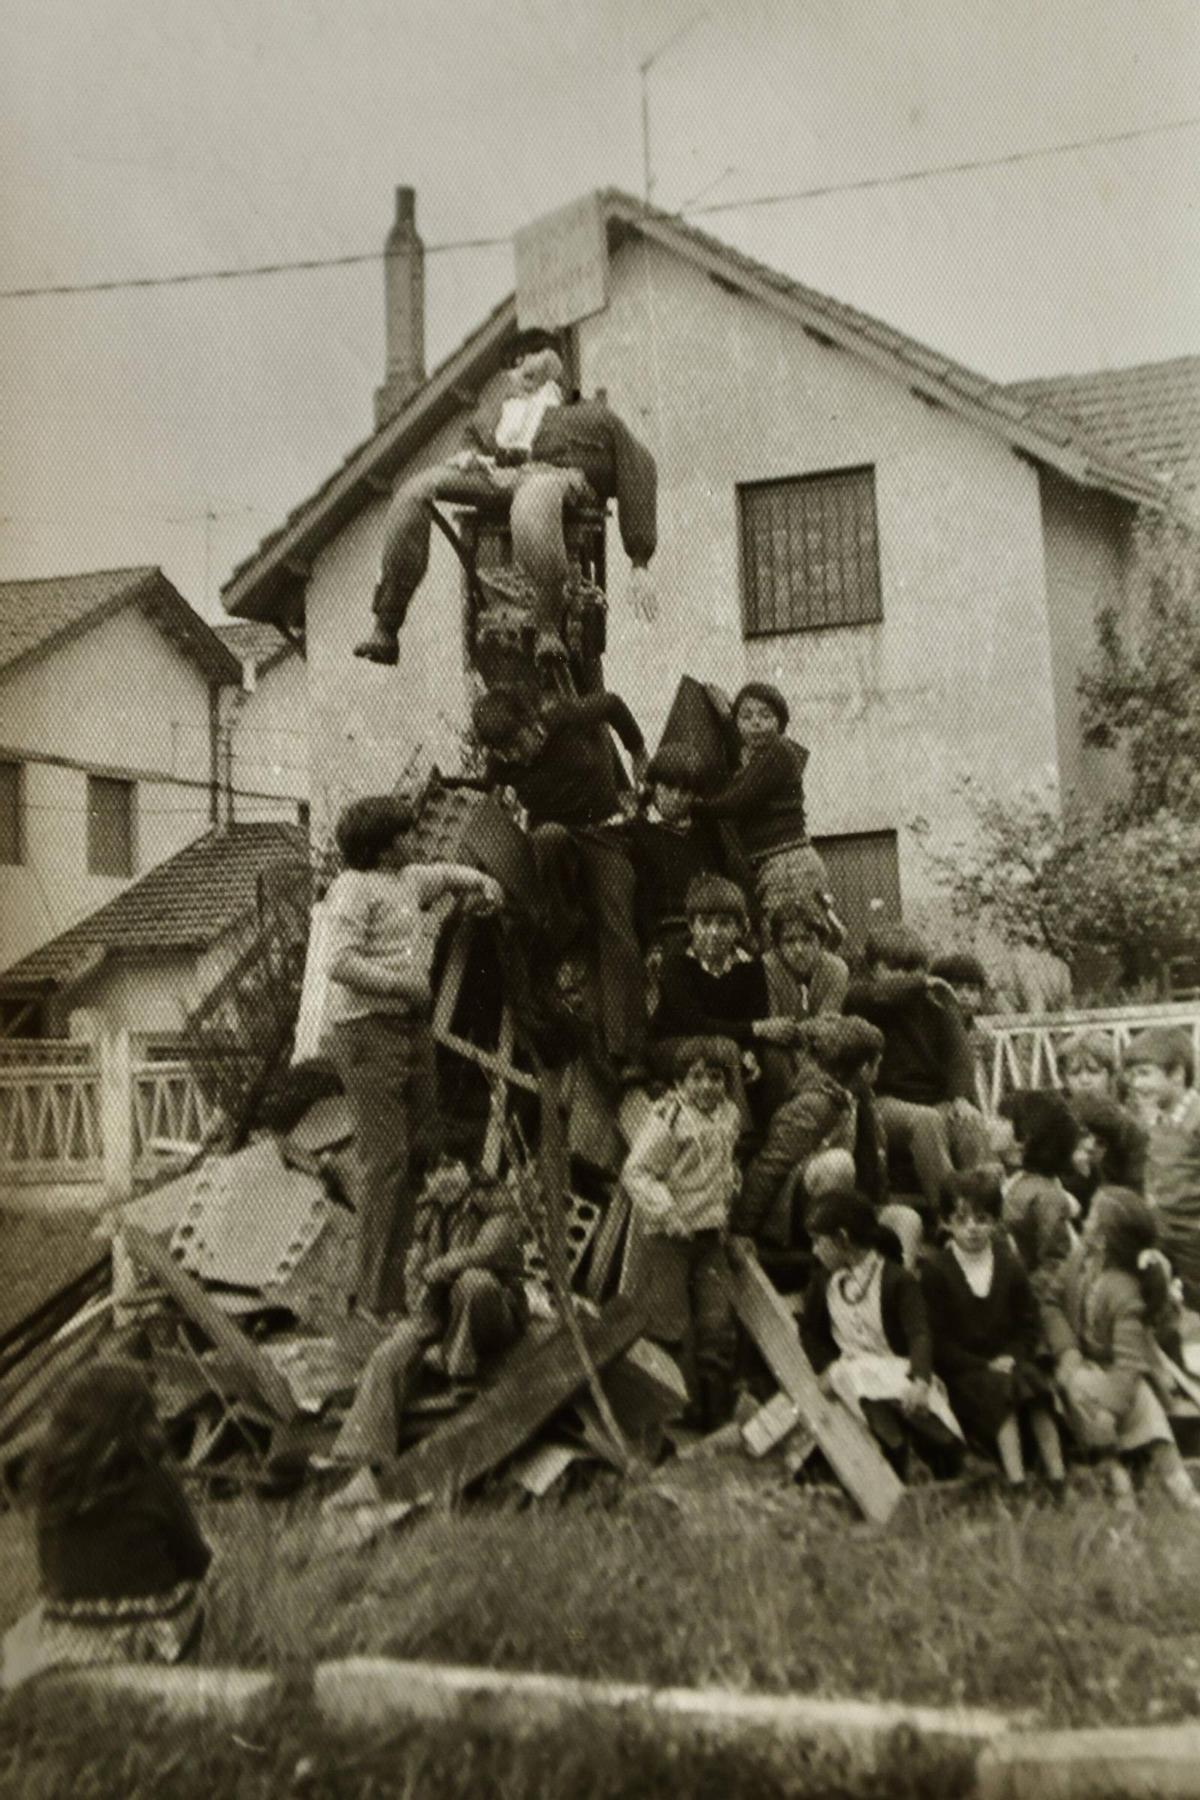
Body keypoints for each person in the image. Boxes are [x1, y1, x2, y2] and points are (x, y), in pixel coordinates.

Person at [357, 327, 657, 665]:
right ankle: (387, 623)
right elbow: (471, 438)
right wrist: (469, 455)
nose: (522, 366)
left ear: (554, 358)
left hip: (553, 477)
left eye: (531, 354)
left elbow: (639, 467)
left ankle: (546, 625)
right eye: (513, 364)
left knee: (533, 499)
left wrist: (639, 559)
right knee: (415, 489)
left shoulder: (590, 415)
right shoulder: (496, 413)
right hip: (496, 475)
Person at [324, 794, 503, 1316]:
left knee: (425, 1147)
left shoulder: (406, 880)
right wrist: (402, 986)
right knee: (385, 1164)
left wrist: (483, 883)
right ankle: (375, 1301)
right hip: (367, 1031)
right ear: (380, 849)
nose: (414, 840)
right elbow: (339, 963)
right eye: (404, 835)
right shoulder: (353, 889)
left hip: (408, 1026)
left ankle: (410, 1280)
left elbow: (447, 873)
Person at [473, 684, 649, 1078]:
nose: (516, 757)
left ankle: (630, 1051)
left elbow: (614, 704)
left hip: (603, 833)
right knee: (547, 836)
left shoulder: (568, 717)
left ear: (533, 723)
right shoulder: (502, 762)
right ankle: (563, 923)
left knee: (619, 926)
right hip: (556, 846)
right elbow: (482, 800)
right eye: (505, 752)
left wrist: (637, 751)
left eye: (519, 743)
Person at [330, 1162, 529, 1467]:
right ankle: (360, 1453)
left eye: (448, 1167)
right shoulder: (430, 1208)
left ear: (465, 1170)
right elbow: (416, 1268)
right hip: (442, 1313)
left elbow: (490, 1251)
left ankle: (460, 1371)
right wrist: (416, 1294)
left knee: (473, 1281)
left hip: (494, 1313)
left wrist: (441, 1267)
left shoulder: (496, 1199)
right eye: (433, 1171)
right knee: (389, 1354)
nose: (438, 1177)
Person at [30, 1361, 211, 1673]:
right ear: (140, 1419)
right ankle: (191, 1676)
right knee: (207, 1586)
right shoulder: (154, 1479)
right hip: (145, 1636)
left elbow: (50, 1570)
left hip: (67, 1634)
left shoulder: (50, 1485)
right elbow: (196, 1561)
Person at [1042, 1187, 1200, 1512]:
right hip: (1082, 1366)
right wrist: (1067, 1350)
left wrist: (1110, 1411)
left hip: (1121, 1372)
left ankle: (1182, 1490)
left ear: (1104, 1239)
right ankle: (1119, 1486)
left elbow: (1129, 1364)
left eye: (1092, 1221)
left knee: (1144, 1407)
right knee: (1079, 1385)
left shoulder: (1124, 1291)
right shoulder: (1079, 1260)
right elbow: (1051, 1301)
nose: (1084, 1223)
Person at [621, 1038, 742, 1428]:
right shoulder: (668, 1119)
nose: (707, 1087)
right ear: (680, 1082)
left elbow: (725, 1165)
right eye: (696, 1078)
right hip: (670, 1237)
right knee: (670, 1325)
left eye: (716, 1078)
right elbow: (636, 1172)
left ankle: (716, 1419)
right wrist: (666, 1211)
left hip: (708, 1237)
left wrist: (730, 1189)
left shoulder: (729, 1115)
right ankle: (670, 1416)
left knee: (717, 1326)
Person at [921, 1168, 1064, 1493]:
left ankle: (1057, 1477)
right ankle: (1016, 1483)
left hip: (1009, 1363)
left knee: (1035, 1386)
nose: (972, 1228)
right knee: (1002, 1394)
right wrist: (984, 1364)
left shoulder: (1009, 1264)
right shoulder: (936, 1272)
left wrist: (1011, 1357)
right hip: (966, 1372)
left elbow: (1028, 1326)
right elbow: (938, 1341)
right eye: (961, 1219)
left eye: (982, 1219)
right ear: (945, 1221)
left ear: (996, 1221)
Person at [800, 1192, 963, 1475]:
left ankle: (930, 1450)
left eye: (818, 1242)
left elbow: (919, 1333)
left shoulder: (896, 1280)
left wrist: (921, 1381)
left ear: (842, 1239)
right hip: (850, 1377)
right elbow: (809, 1333)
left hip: (899, 1373)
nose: (814, 1251)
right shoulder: (824, 1282)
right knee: (848, 1374)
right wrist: (825, 1366)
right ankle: (895, 1451)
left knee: (880, 1386)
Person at [845, 924, 988, 1214]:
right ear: (873, 968)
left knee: (968, 1119)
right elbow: (883, 994)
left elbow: (959, 1053)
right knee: (926, 1120)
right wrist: (922, 982)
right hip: (883, 1103)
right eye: (893, 967)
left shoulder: (936, 1000)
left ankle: (983, 1208)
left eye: (911, 968)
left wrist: (960, 1097)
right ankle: (950, 1215)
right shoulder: (861, 999)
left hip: (935, 1100)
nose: (903, 975)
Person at [691, 681, 838, 930]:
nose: (755, 723)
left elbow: (737, 800)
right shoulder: (757, 757)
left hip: (788, 867)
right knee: (791, 945)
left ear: (780, 722)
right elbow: (746, 763)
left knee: (787, 948)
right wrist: (727, 717)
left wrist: (694, 807)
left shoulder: (780, 752)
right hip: (775, 866)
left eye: (765, 715)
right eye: (746, 717)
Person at [651, 874, 797, 1120]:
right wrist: (754, 1031)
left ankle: (781, 1129)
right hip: (675, 1044)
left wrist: (749, 1051)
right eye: (705, 923)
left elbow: (755, 1015)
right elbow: (694, 1023)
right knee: (725, 1050)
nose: (714, 932)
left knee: (773, 1057)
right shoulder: (676, 962)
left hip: (731, 1046)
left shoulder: (750, 965)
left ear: (739, 928)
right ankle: (742, 1138)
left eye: (724, 923)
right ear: (691, 925)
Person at [733, 1015, 884, 1250]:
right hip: (795, 1215)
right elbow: (771, 1165)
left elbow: (874, 1161)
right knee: (837, 1164)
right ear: (865, 1068)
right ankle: (826, 1252)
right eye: (878, 1064)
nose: (879, 1072)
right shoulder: (814, 1103)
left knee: (905, 1218)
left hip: (845, 1206)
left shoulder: (861, 1098)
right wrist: (742, 1230)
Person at [1123, 1027, 1200, 1303]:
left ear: (1177, 1074)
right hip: (1167, 1241)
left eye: (1145, 1073)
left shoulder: (1196, 1120)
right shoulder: (1158, 1120)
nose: (1135, 1083)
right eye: (1132, 1075)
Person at [628, 743, 726, 958]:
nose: (675, 798)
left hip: (713, 924)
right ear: (653, 786)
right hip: (669, 930)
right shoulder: (636, 832)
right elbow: (640, 898)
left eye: (684, 792)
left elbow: (725, 874)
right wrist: (652, 943)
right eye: (668, 788)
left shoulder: (705, 828)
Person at [999, 1089, 1080, 1305]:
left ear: (1024, 1137)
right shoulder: (1006, 1177)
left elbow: (1056, 1263)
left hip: (1028, 1300)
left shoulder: (1045, 1194)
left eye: (1001, 1119)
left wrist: (1019, 1296)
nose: (989, 1124)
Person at [1060, 1030, 1146, 1195]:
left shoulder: (1126, 1120)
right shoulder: (1059, 1120)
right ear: (1064, 1078)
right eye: (1074, 1073)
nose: (1084, 1081)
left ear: (1111, 1075)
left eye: (1093, 1071)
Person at [762, 895, 849, 1028]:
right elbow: (772, 1029)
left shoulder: (836, 968)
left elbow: (826, 1028)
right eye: (789, 941)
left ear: (821, 941)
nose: (799, 949)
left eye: (807, 939)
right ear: (777, 946)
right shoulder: (766, 967)